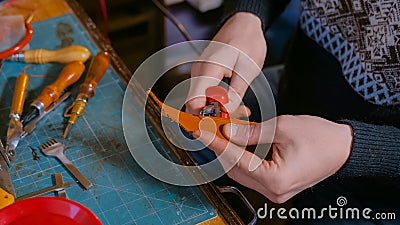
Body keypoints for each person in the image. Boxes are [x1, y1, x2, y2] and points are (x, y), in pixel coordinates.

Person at [185, 0, 400, 223]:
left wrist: (356, 149)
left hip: (377, 184)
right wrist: (247, 14)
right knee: (178, 139)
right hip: (295, 88)